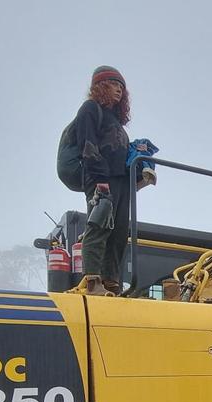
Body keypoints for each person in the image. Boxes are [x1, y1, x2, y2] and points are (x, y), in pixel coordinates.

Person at [69, 65, 134, 296]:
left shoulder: (115, 121)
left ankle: (111, 280)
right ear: (102, 86)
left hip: (121, 180)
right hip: (100, 178)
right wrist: (100, 180)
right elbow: (88, 145)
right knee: (99, 226)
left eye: (122, 87)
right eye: (114, 84)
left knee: (119, 232)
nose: (119, 90)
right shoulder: (90, 109)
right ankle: (93, 280)